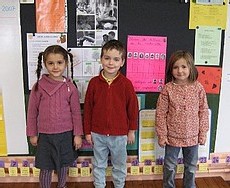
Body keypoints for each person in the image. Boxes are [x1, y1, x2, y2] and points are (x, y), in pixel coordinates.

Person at [84, 40, 139, 188]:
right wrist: (87, 132)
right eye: (107, 58)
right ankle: (99, 185)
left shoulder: (126, 84)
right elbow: (88, 108)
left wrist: (131, 131)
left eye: (116, 59)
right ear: (101, 59)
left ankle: (119, 185)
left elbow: (132, 109)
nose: (111, 63)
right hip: (98, 133)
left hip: (120, 135)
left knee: (119, 165)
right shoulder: (94, 83)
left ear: (122, 62)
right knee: (99, 164)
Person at [26, 45, 83, 188]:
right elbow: (32, 113)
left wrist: (77, 135)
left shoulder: (70, 87)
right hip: (45, 136)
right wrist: (32, 134)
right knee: (46, 167)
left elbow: (76, 113)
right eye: (51, 63)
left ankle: (62, 185)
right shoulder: (38, 87)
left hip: (65, 134)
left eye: (59, 62)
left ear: (66, 63)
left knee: (63, 165)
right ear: (45, 64)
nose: (55, 67)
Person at [155, 50, 209, 188]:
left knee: (191, 166)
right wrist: (162, 135)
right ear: (171, 69)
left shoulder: (198, 88)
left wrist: (203, 133)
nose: (180, 71)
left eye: (184, 67)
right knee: (169, 166)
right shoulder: (167, 89)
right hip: (172, 137)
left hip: (193, 137)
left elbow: (203, 111)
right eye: (176, 67)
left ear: (190, 67)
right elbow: (161, 113)